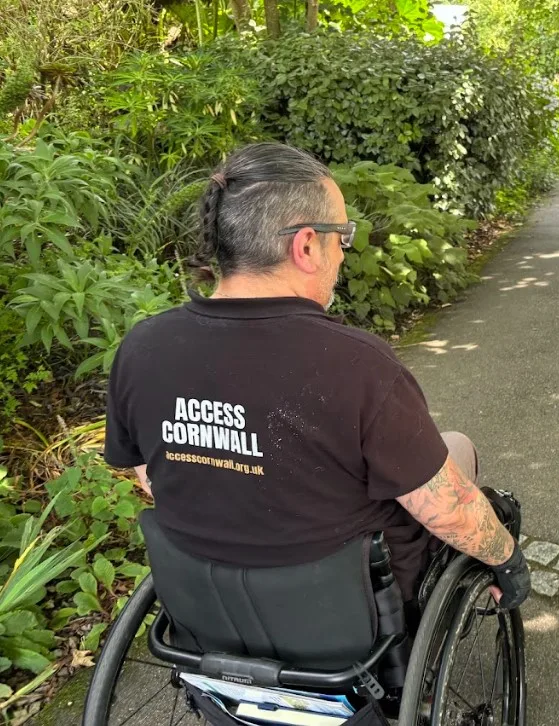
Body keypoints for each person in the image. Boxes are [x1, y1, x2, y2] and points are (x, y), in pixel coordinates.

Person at [103, 142, 530, 623]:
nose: (342, 255)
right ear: (306, 245)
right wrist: (506, 558)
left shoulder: (142, 348)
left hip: (208, 603)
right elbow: (447, 511)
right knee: (458, 448)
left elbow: (151, 475)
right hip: (346, 612)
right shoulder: (358, 365)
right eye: (341, 237)